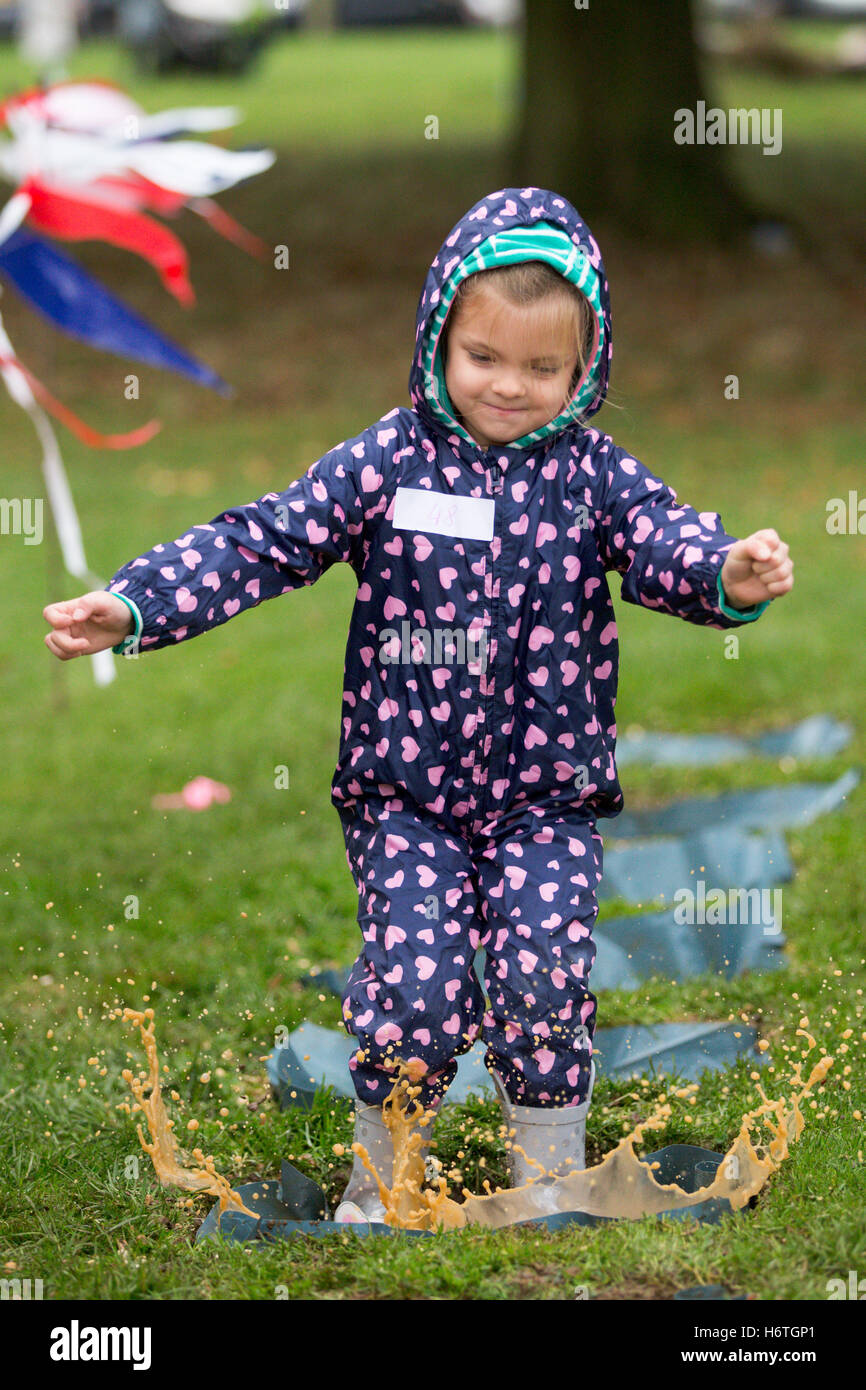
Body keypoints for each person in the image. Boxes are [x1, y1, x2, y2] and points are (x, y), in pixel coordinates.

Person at [43, 187, 794, 1222]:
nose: (508, 386)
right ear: (439, 335)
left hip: (546, 800)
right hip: (405, 801)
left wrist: (726, 574)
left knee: (541, 984)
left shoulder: (591, 477)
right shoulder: (386, 463)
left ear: (584, 369)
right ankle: (382, 1171)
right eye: (483, 356)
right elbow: (262, 541)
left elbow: (667, 542)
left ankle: (545, 1172)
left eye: (543, 367)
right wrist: (135, 603)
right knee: (414, 993)